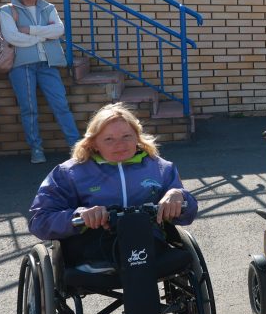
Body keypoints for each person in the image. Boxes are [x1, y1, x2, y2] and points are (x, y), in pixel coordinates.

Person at [28, 103, 194, 278]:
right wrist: (79, 216)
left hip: (148, 244)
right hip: (92, 252)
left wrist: (179, 195)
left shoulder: (161, 168)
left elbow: (188, 212)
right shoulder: (68, 173)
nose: (120, 145)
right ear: (94, 144)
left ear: (137, 137)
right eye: (109, 139)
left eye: (126, 136)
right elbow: (39, 220)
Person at [0, 0, 82, 163]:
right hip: (22, 66)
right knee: (29, 108)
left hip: (48, 64)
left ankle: (76, 146)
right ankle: (36, 149)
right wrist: (43, 36)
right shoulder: (7, 10)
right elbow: (12, 37)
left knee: (61, 105)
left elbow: (59, 30)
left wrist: (31, 31)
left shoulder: (48, 7)